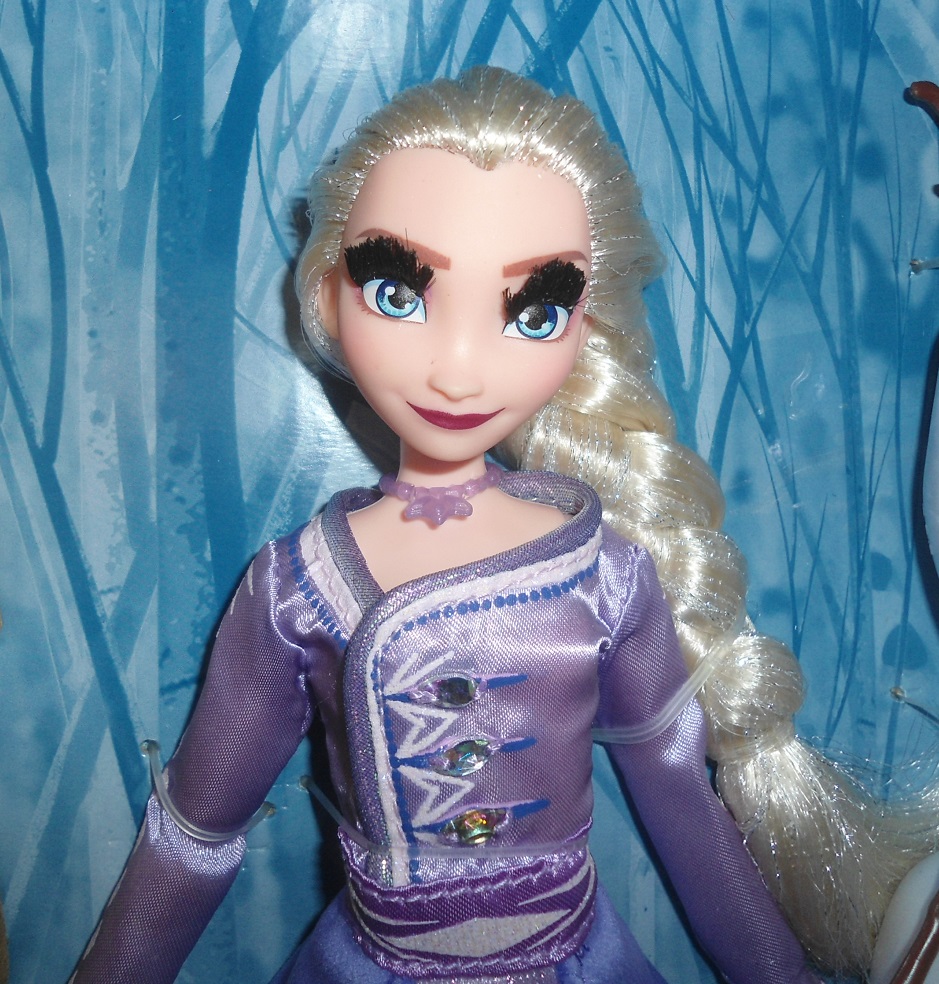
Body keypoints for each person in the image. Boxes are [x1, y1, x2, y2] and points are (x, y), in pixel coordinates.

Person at [73, 66, 921, 984]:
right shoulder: (295, 589)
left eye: (534, 311)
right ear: (325, 295)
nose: (458, 370)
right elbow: (198, 830)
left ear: (585, 331)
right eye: (397, 295)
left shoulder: (603, 579)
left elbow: (682, 809)